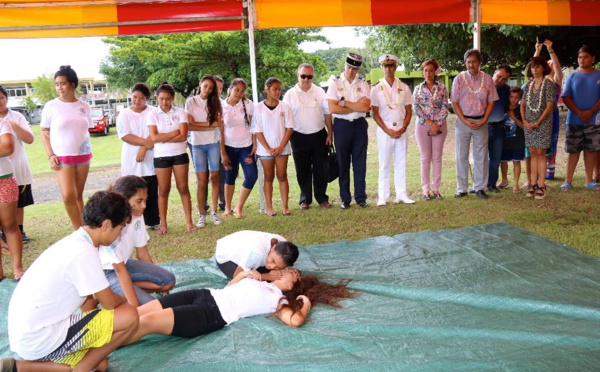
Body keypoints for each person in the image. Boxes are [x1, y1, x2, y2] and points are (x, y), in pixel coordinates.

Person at [4, 191, 139, 372]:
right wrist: (124, 301)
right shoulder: (83, 252)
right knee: (130, 315)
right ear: (106, 225)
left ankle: (21, 367)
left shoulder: (75, 242)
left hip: (29, 337)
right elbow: (109, 303)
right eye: (121, 228)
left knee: (100, 364)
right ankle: (81, 369)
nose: (120, 234)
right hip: (41, 337)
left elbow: (87, 301)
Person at [123, 267, 354, 344]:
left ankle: (97, 348)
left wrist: (305, 304)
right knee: (135, 314)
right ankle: (95, 332)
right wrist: (249, 275)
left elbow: (295, 321)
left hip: (209, 314)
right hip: (203, 294)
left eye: (293, 274)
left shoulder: (279, 300)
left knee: (145, 323)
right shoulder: (263, 280)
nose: (289, 271)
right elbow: (232, 285)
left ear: (294, 286)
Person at [99, 176, 176, 306]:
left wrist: (154, 274)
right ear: (123, 199)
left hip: (125, 265)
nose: (144, 205)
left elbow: (142, 253)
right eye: (139, 201)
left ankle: (121, 289)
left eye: (145, 200)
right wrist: (135, 305)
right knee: (151, 307)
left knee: (168, 281)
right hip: (108, 271)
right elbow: (119, 269)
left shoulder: (137, 215)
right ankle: (106, 291)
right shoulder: (111, 222)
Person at [40, 65, 93, 229]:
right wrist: (50, 155)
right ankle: (79, 231)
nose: (59, 87)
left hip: (83, 155)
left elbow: (86, 129)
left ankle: (85, 227)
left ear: (72, 84)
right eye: (57, 84)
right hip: (62, 157)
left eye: (62, 83)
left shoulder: (84, 106)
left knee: (78, 195)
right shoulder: (51, 106)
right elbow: (44, 132)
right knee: (68, 195)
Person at [283, 63, 333, 209]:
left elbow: (327, 114)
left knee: (321, 169)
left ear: (313, 76)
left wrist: (330, 133)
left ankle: (322, 198)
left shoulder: (320, 92)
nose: (306, 79)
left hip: (319, 135)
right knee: (302, 170)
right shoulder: (290, 94)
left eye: (309, 76)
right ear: (297, 75)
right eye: (303, 76)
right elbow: (285, 119)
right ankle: (305, 199)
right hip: (298, 136)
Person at [147, 82, 195, 234]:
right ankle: (163, 224)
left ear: (172, 98)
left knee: (183, 188)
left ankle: (189, 222)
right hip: (161, 156)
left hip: (179, 154)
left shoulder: (180, 112)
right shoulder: (152, 114)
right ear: (157, 98)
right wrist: (172, 133)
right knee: (164, 190)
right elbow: (153, 137)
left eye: (167, 99)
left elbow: (182, 137)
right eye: (161, 99)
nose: (164, 102)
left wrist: (163, 138)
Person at [451, 49, 498, 200]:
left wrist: (484, 119)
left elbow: (491, 101)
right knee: (461, 155)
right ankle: (462, 189)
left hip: (481, 121)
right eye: (469, 62)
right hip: (463, 121)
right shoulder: (458, 79)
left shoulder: (488, 79)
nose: (471, 64)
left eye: (474, 61)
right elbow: (455, 102)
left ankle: (479, 188)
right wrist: (464, 120)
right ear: (465, 63)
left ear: (479, 63)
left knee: (481, 156)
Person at [327, 53, 371, 209]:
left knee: (360, 163)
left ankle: (360, 197)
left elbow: (365, 108)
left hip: (359, 125)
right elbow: (332, 108)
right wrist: (355, 105)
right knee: (343, 163)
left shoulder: (363, 84)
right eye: (349, 67)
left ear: (358, 69)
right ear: (345, 65)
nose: (351, 71)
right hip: (342, 126)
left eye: (355, 68)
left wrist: (344, 103)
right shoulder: (335, 83)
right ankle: (345, 199)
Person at [371, 54, 415, 205]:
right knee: (384, 163)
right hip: (385, 128)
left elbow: (409, 111)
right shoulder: (376, 89)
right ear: (382, 68)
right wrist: (386, 130)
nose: (388, 69)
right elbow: (375, 114)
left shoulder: (404, 87)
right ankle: (383, 196)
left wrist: (404, 127)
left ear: (396, 67)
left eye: (391, 66)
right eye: (385, 66)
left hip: (401, 126)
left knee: (401, 161)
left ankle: (401, 194)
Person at [117, 82, 160, 230]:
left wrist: (143, 148)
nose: (137, 101)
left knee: (151, 192)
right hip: (130, 159)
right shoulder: (124, 114)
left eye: (141, 98)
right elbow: (125, 135)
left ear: (147, 99)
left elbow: (156, 133)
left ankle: (153, 221)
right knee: (129, 192)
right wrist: (145, 144)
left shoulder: (153, 112)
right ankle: (128, 222)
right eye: (134, 97)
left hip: (150, 158)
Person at [251, 77, 295, 217]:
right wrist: (268, 148)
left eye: (279, 89)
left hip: (282, 148)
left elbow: (289, 128)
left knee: (282, 176)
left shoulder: (285, 107)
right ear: (267, 89)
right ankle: (269, 207)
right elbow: (257, 130)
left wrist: (281, 146)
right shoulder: (258, 108)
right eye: (275, 89)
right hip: (265, 149)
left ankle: (285, 206)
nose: (278, 92)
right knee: (268, 177)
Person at [560, 45, 600, 191]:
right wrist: (579, 112)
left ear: (593, 58)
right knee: (573, 150)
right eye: (580, 57)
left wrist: (590, 111)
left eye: (585, 57)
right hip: (574, 120)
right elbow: (566, 97)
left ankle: (589, 180)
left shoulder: (598, 74)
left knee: (591, 150)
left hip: (594, 120)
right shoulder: (572, 76)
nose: (582, 60)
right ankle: (567, 181)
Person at [185, 75, 223, 227]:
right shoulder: (190, 101)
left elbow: (218, 123)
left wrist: (207, 124)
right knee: (201, 181)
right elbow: (189, 125)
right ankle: (201, 214)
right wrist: (209, 124)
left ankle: (214, 212)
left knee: (214, 176)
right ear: (200, 84)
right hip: (197, 144)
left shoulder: (215, 102)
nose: (208, 90)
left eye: (211, 87)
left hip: (213, 143)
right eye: (205, 86)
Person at [0, 86, 34, 244]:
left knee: (19, 200)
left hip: (18, 166)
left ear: (6, 98)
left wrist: (12, 125)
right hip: (2, 170)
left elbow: (29, 139)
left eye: (1, 97)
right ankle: (4, 232)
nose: (0, 101)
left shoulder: (17, 116)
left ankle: (20, 230)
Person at [220, 78, 257, 218]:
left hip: (246, 146)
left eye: (242, 91)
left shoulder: (248, 104)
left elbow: (254, 126)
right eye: (236, 90)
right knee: (230, 176)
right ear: (230, 88)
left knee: (252, 175)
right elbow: (220, 131)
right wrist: (223, 152)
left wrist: (254, 145)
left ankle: (238, 207)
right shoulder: (221, 105)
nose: (239, 93)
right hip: (229, 146)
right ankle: (227, 208)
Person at [413, 58, 449, 201]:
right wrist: (429, 123)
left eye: (431, 70)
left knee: (437, 157)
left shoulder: (442, 88)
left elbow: (445, 107)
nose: (428, 73)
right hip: (422, 126)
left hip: (440, 126)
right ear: (423, 72)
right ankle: (426, 190)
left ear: (435, 72)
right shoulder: (418, 89)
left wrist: (437, 124)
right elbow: (416, 107)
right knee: (425, 158)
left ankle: (436, 189)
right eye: (426, 70)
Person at [521, 57, 556, 200]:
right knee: (532, 152)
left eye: (537, 67)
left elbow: (550, 107)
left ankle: (542, 185)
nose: (534, 69)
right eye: (532, 67)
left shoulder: (548, 84)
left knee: (541, 153)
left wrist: (537, 122)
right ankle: (533, 184)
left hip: (543, 123)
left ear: (543, 68)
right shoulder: (528, 85)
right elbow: (522, 104)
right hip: (528, 123)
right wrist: (524, 120)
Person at [534, 38, 563, 180]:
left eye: (551, 63)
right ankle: (539, 170)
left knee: (551, 141)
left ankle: (549, 171)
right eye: (548, 64)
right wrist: (538, 50)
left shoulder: (555, 82)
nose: (550, 65)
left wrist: (550, 50)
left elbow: (557, 67)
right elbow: (533, 66)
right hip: (538, 113)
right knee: (539, 141)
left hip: (552, 114)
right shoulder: (539, 81)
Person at [214, 230, 298, 280]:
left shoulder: (285, 244)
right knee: (247, 282)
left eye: (278, 267)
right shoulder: (256, 253)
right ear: (273, 247)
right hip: (226, 257)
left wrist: (288, 270)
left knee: (280, 276)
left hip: (247, 250)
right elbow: (239, 275)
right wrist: (266, 276)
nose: (271, 266)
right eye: (273, 261)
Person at [0, 114, 24, 282]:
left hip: (4, 179)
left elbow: (8, 147)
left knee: (10, 225)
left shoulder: (2, 123)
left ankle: (18, 268)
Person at [487, 64, 512, 193]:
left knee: (495, 158)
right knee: (480, 157)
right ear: (495, 72)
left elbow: (511, 106)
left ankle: (491, 184)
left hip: (498, 127)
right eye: (499, 76)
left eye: (504, 79)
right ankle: (479, 185)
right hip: (483, 127)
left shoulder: (506, 90)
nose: (500, 80)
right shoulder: (483, 85)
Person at [499, 87, 526, 194]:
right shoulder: (503, 108)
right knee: (503, 161)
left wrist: (513, 117)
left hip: (517, 141)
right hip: (504, 140)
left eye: (516, 98)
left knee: (516, 161)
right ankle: (504, 179)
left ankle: (516, 184)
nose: (513, 100)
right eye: (511, 97)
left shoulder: (521, 109)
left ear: (520, 98)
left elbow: (523, 126)